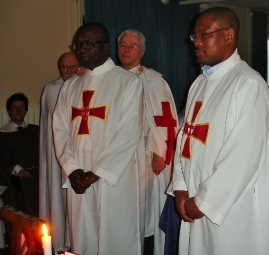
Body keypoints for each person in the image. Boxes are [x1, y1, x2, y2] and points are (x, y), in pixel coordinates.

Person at [172, 7, 269, 254]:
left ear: (229, 35)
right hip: (192, 197)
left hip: (231, 207)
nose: (197, 42)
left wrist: (203, 202)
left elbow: (243, 157)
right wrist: (181, 188)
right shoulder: (199, 83)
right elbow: (185, 138)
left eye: (204, 34)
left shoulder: (248, 84)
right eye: (194, 36)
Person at [52, 22, 146, 255]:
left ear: (105, 48)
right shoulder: (70, 87)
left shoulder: (128, 83)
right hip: (78, 179)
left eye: (89, 44)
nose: (82, 49)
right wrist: (72, 169)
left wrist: (97, 172)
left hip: (111, 178)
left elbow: (128, 133)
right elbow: (60, 130)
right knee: (82, 239)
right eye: (78, 45)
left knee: (115, 237)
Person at [117, 29, 179, 255]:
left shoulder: (152, 80)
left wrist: (159, 153)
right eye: (123, 45)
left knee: (144, 211)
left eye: (132, 46)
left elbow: (164, 120)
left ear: (141, 52)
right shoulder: (114, 78)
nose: (126, 49)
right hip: (120, 155)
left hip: (144, 156)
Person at [38, 52, 80, 253]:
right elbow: (48, 129)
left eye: (73, 66)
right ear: (59, 69)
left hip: (78, 157)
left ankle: (77, 241)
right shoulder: (51, 90)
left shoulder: (83, 88)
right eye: (65, 67)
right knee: (58, 198)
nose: (69, 71)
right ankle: (59, 244)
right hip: (56, 158)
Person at [0, 92, 39, 217]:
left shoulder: (35, 130)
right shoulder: (3, 134)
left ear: (26, 110)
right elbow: (3, 159)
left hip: (37, 176)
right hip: (16, 179)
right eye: (15, 107)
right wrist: (19, 170)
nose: (18, 110)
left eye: (22, 107)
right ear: (9, 111)